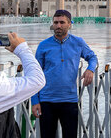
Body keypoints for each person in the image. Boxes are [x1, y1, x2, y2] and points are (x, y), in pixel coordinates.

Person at [31, 10, 98, 138]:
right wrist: (35, 101)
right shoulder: (43, 46)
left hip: (69, 100)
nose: (58, 26)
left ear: (69, 24)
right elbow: (35, 75)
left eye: (62, 22)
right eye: (56, 22)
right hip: (46, 100)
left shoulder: (78, 42)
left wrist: (90, 69)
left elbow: (92, 57)